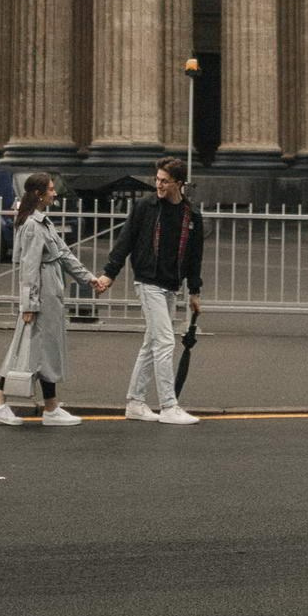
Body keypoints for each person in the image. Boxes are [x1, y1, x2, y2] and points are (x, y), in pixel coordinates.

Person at [0, 172, 110, 427]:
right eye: (51, 190)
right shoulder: (33, 225)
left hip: (49, 289)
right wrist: (29, 304)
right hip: (42, 292)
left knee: (40, 351)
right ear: (38, 194)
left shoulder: (42, 222)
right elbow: (29, 268)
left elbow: (64, 254)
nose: (55, 193)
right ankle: (3, 403)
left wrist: (88, 279)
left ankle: (46, 406)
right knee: (31, 351)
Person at [102, 157, 204, 425]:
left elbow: (195, 257)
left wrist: (194, 292)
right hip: (148, 282)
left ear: (179, 184)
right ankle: (169, 406)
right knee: (165, 342)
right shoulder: (145, 207)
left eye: (164, 181)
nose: (158, 185)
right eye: (156, 180)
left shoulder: (191, 216)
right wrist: (109, 273)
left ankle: (135, 403)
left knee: (151, 344)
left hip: (171, 285)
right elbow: (125, 240)